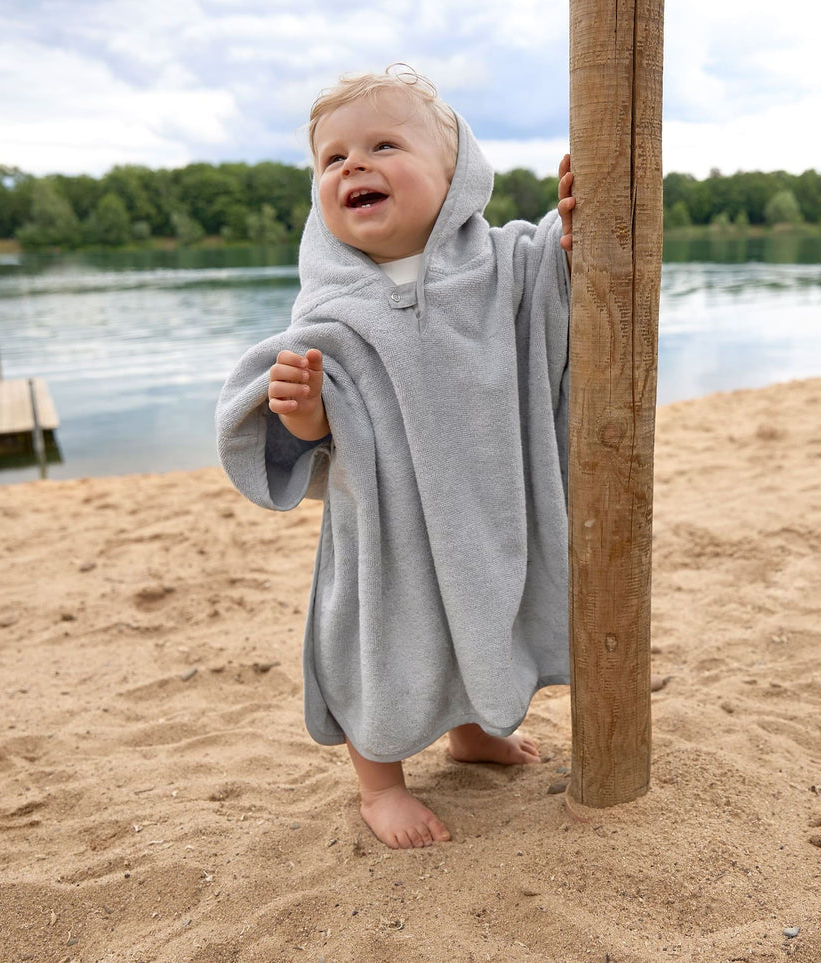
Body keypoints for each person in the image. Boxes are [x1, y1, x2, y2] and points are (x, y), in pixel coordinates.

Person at [216, 66, 575, 850]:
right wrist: (302, 410)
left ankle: (474, 733)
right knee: (374, 639)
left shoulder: (500, 266)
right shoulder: (331, 308)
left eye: (383, 144)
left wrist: (578, 230)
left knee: (481, 612)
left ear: (456, 173)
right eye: (332, 159)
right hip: (384, 528)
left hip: (484, 500)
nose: (353, 166)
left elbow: (555, 290)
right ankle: (378, 785)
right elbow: (311, 437)